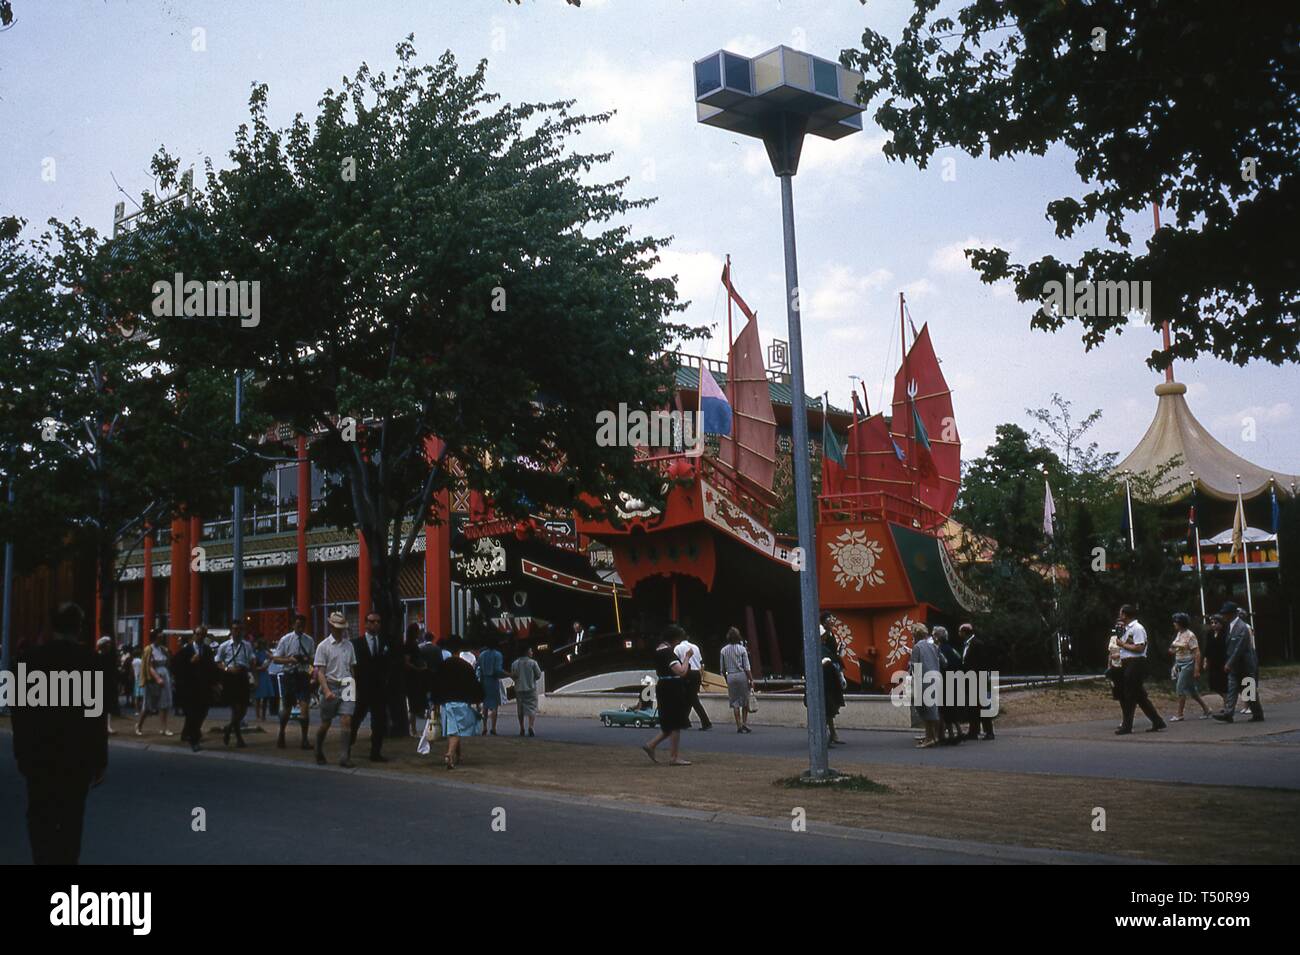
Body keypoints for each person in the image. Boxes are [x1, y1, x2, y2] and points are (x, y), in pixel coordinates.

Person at [11, 602, 108, 864]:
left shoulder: (28, 661)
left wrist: (21, 753)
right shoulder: (91, 662)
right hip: (76, 758)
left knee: (39, 816)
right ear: (78, 627)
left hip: (39, 755)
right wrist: (100, 760)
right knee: (71, 819)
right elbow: (96, 717)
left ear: (52, 626)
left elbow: (20, 715)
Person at [642, 625, 692, 765]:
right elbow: (681, 671)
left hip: (663, 686)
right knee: (676, 723)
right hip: (672, 688)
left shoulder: (658, 650)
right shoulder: (668, 653)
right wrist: (687, 658)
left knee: (668, 723)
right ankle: (674, 756)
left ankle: (651, 745)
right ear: (675, 639)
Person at [313, 611, 358, 767]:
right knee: (326, 723)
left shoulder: (349, 645)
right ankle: (318, 748)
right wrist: (326, 690)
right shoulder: (323, 646)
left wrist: (354, 684)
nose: (340, 630)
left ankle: (344, 756)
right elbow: (320, 671)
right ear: (331, 626)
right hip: (330, 683)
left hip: (347, 683)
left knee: (347, 720)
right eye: (337, 627)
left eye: (342, 628)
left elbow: (352, 667)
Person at [430, 639, 483, 769]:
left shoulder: (443, 665)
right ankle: (450, 753)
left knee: (454, 729)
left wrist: (435, 702)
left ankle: (457, 755)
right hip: (462, 701)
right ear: (459, 651)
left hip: (447, 702)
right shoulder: (465, 666)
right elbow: (473, 685)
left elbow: (436, 684)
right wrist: (477, 701)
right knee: (457, 730)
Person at [1115, 604, 1167, 735]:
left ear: (1126, 615)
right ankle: (1157, 720)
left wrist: (1123, 645)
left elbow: (1140, 648)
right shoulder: (1126, 629)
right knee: (1139, 696)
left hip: (1136, 662)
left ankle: (1127, 725)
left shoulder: (1137, 628)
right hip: (1127, 662)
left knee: (1129, 695)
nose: (1119, 616)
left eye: (1121, 613)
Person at [1213, 602, 1264, 723]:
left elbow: (1239, 648)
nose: (1224, 616)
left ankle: (1257, 713)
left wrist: (1229, 663)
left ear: (1232, 614)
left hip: (1245, 664)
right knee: (1232, 688)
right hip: (1235, 665)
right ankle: (1228, 713)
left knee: (1248, 690)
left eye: (1226, 613)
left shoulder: (1242, 628)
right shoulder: (1230, 626)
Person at [271, 614, 316, 749]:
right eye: (298, 625)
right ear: (293, 625)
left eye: (302, 625)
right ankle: (281, 733)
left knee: (305, 707)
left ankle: (304, 739)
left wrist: (306, 660)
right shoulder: (286, 639)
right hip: (289, 674)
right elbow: (276, 659)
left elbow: (313, 659)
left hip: (303, 675)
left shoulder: (309, 640)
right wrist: (290, 660)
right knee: (287, 708)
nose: (300, 627)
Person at [349, 611, 389, 762]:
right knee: (355, 719)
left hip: (379, 689)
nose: (375, 624)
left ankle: (376, 752)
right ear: (366, 624)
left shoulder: (384, 642)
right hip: (362, 688)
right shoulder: (356, 644)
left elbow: (387, 664)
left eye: (378, 622)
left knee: (378, 722)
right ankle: (347, 746)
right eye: (372, 622)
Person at [177, 625, 217, 751]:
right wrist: (190, 662)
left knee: (203, 712)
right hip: (190, 687)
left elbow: (212, 668)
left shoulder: (207, 650)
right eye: (198, 634)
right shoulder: (186, 650)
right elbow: (177, 666)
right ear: (194, 635)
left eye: (203, 635)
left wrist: (215, 683)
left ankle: (190, 732)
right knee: (192, 713)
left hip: (204, 687)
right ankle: (194, 739)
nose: (200, 637)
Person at [216, 621, 255, 747]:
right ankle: (239, 738)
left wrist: (254, 675)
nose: (237, 632)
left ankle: (229, 728)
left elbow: (251, 659)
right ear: (231, 631)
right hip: (231, 677)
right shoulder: (224, 646)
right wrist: (227, 669)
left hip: (243, 676)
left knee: (243, 708)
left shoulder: (247, 645)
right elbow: (218, 662)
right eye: (234, 629)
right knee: (235, 708)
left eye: (239, 629)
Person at [1168, 613, 1212, 721]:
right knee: (1192, 690)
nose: (1174, 624)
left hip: (1188, 663)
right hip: (1179, 662)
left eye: (1176, 622)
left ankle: (1180, 714)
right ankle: (1206, 709)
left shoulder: (1190, 635)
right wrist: (1172, 650)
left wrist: (1197, 668)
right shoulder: (1179, 634)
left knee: (1180, 688)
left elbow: (1196, 652)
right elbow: (1176, 648)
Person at [135, 629, 175, 738]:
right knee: (148, 705)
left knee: (164, 704)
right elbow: (148, 665)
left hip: (164, 674)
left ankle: (164, 728)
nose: (161, 639)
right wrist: (157, 678)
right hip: (153, 678)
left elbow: (168, 662)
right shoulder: (149, 649)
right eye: (159, 637)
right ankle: (139, 725)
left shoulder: (163, 649)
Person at [959, 624, 995, 740]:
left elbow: (983, 662)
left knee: (982, 706)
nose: (959, 634)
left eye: (960, 632)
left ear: (965, 632)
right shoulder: (967, 644)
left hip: (978, 679)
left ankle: (989, 731)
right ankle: (973, 730)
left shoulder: (977, 644)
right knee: (973, 707)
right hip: (971, 679)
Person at [910, 624, 942, 748]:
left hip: (923, 681)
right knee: (933, 710)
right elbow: (941, 661)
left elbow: (914, 666)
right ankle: (934, 736)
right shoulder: (933, 646)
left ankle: (929, 738)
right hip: (935, 678)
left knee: (925, 711)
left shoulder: (917, 647)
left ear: (915, 635)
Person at [673, 629, 712, 730]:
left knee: (691, 699)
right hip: (697, 673)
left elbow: (675, 661)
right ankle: (684, 721)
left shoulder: (678, 648)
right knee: (689, 698)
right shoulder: (695, 647)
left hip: (687, 672)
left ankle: (705, 722)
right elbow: (701, 662)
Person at [933, 626, 964, 745]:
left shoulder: (940, 650)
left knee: (945, 709)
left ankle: (951, 735)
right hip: (955, 680)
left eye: (934, 635)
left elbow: (941, 665)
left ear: (937, 637)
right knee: (951, 707)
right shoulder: (952, 649)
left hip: (944, 681)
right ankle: (959, 732)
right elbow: (959, 662)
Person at [719, 627, 753, 733]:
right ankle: (744, 723)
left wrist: (726, 678)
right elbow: (747, 666)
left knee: (735, 702)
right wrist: (751, 679)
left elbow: (722, 669)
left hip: (730, 676)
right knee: (745, 700)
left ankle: (738, 725)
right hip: (741, 675)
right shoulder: (742, 649)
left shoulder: (723, 650)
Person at [475, 636, 506, 736]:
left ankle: (484, 727)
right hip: (493, 681)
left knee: (485, 706)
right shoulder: (498, 655)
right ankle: (493, 727)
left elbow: (477, 666)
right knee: (494, 706)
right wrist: (509, 674)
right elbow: (498, 670)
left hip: (484, 681)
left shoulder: (482, 655)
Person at [402, 623, 429, 736]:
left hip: (414, 676)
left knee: (414, 705)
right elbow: (406, 662)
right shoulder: (410, 645)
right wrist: (418, 669)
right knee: (413, 705)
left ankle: (411, 728)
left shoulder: (412, 644)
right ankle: (412, 729)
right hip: (412, 678)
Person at [510, 645, 543, 737]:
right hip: (530, 688)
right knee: (532, 707)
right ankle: (531, 726)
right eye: (531, 651)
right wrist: (532, 679)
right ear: (527, 652)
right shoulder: (533, 663)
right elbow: (538, 675)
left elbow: (513, 675)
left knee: (520, 709)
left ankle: (521, 728)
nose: (532, 652)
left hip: (519, 689)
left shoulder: (515, 663)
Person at [1202, 613, 1229, 706]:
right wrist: (1206, 660)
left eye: (1216, 623)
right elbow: (1207, 648)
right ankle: (1226, 699)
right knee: (1213, 683)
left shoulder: (1225, 634)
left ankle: (1227, 703)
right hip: (1213, 661)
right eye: (1212, 623)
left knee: (1223, 684)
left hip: (1223, 661)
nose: (1213, 625)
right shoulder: (1210, 633)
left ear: (1221, 624)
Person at [96, 637, 119, 735]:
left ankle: (108, 726)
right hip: (99, 683)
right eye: (107, 644)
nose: (109, 645)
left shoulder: (110, 657)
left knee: (107, 705)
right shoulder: (97, 657)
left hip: (108, 683)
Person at [252, 637, 275, 721]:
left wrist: (267, 664)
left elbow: (271, 657)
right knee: (258, 697)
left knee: (264, 697)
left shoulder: (264, 653)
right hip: (259, 674)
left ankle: (262, 716)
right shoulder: (255, 653)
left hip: (263, 674)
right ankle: (259, 716)